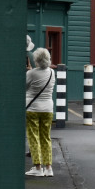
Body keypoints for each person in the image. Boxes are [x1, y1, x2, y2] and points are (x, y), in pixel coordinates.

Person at [25, 47, 56, 177]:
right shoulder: (52, 72)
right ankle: (48, 168)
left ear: (36, 60)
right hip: (48, 109)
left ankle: (38, 167)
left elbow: (24, 87)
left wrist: (29, 71)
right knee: (46, 137)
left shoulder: (31, 73)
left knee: (34, 137)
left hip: (32, 109)